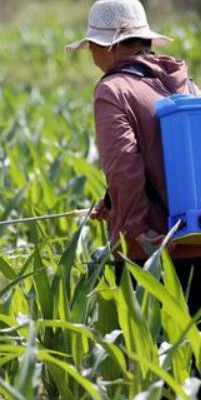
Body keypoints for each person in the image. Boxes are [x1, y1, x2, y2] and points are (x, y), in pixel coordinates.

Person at [66, 0, 201, 315]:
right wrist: (110, 202)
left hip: (157, 255)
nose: (92, 55)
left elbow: (125, 170)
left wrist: (135, 235)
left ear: (108, 47)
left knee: (155, 359)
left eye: (93, 47)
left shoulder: (113, 90)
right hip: (196, 237)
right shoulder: (187, 84)